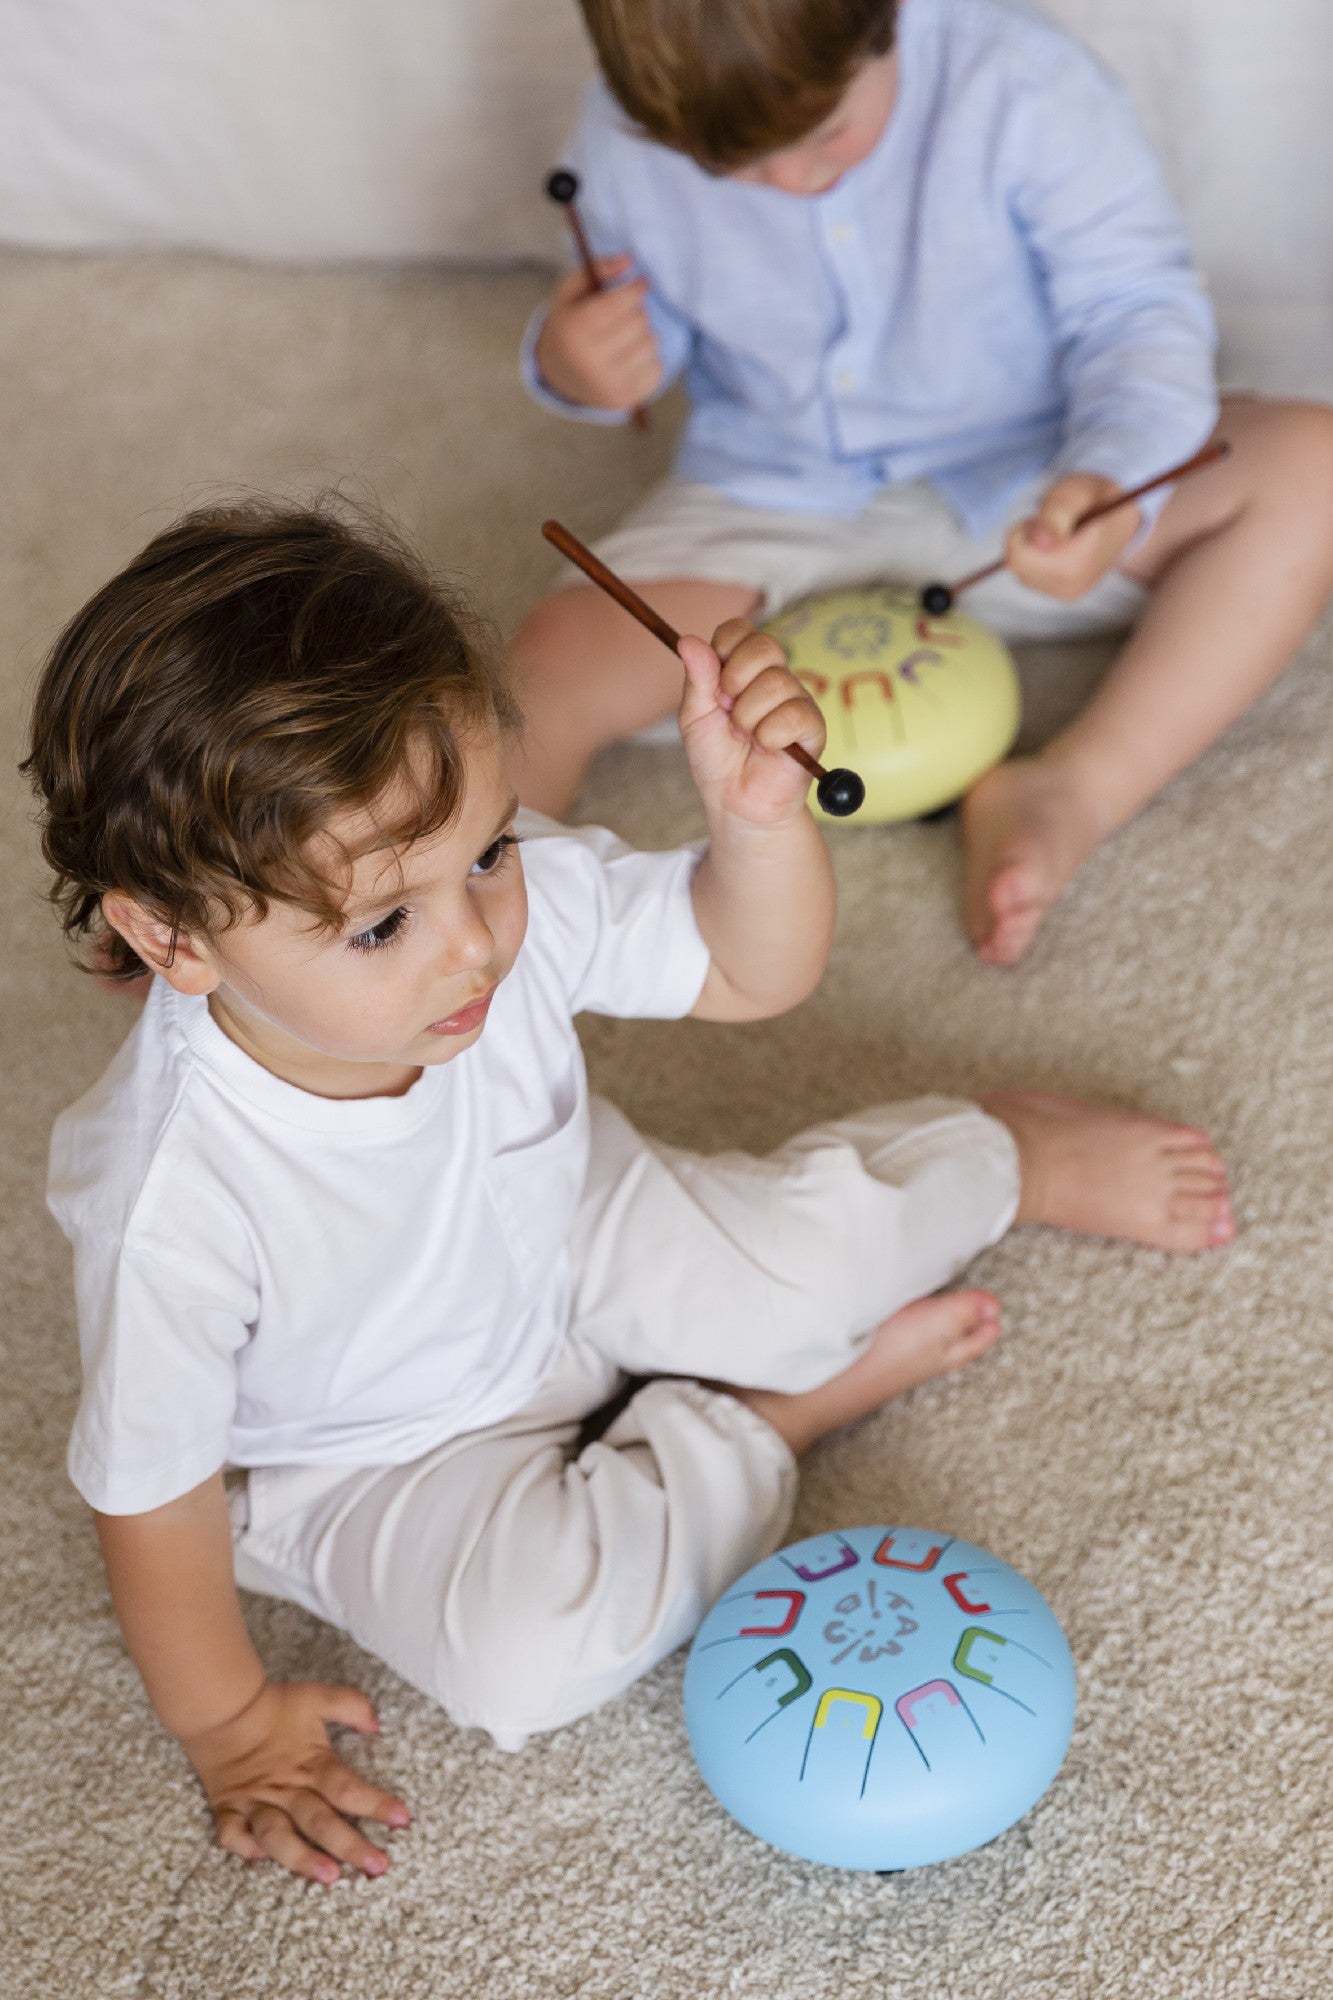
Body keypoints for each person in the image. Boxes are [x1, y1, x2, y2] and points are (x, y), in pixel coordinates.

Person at [24, 503, 1233, 1886]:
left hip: (577, 1228)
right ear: (170, 936)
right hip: (367, 1448)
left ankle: (996, 1150)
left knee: (816, 1274)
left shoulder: (492, 898)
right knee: (529, 1659)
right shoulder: (167, 1198)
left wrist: (754, 822)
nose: (475, 941)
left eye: (484, 851)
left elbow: (741, 972)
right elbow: (154, 1495)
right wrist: (231, 1726)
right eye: (382, 925)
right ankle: (777, 1419)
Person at [512, 0, 1333, 964]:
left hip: (1031, 474)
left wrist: (1113, 482)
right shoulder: (625, 122)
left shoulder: (1023, 82)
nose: (785, 183)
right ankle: (488, 899)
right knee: (551, 663)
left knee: (1310, 468)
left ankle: (1072, 787)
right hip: (773, 485)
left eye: (821, 138)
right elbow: (643, 338)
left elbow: (1134, 312)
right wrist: (576, 367)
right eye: (729, 167)